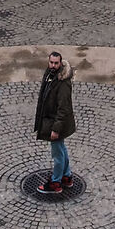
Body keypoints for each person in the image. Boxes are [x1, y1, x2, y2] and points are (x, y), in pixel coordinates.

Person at [33, 50, 75, 192]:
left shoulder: (62, 83)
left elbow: (63, 108)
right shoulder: (50, 75)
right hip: (53, 121)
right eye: (51, 62)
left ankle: (56, 182)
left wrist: (56, 129)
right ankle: (66, 176)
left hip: (57, 123)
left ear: (60, 63)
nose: (53, 65)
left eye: (56, 63)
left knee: (57, 153)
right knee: (61, 149)